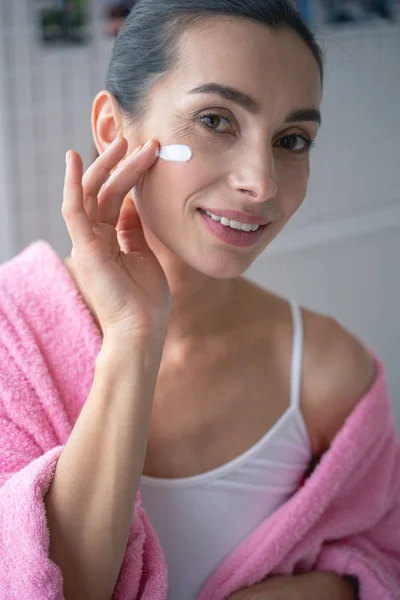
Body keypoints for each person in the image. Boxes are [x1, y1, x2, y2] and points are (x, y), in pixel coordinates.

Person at [0, 1, 399, 600]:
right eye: (216, 121)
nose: (261, 183)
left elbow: (379, 558)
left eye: (293, 139)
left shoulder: (330, 372)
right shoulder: (10, 338)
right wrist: (134, 338)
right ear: (113, 130)